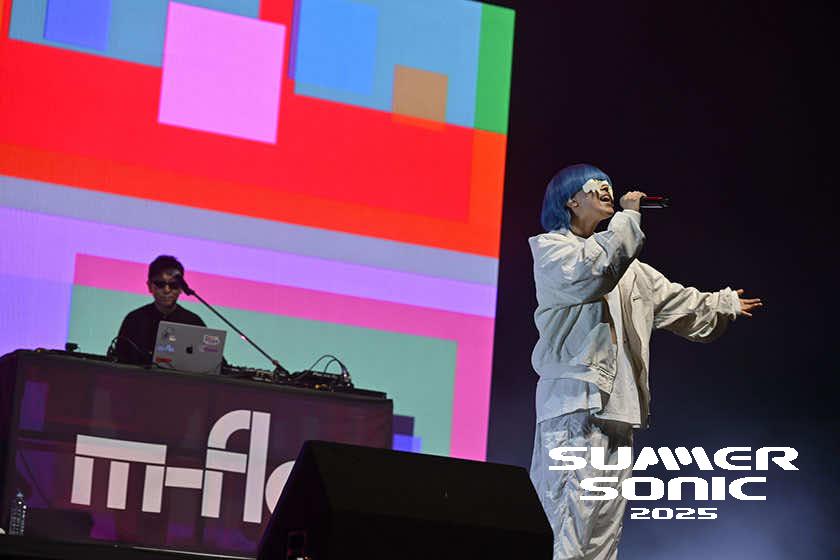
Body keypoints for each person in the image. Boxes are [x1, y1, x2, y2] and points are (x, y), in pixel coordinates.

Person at [528, 164, 761, 560]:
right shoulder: (553, 251)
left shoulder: (630, 269)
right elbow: (596, 270)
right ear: (571, 201)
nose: (607, 190)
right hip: (576, 406)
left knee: (603, 533)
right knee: (567, 520)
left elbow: (676, 301)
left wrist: (722, 303)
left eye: (609, 185)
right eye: (595, 186)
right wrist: (629, 216)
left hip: (620, 411)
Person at [112, 255, 205, 365]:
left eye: (173, 285)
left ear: (181, 288)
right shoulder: (134, 320)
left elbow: (209, 363)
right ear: (149, 286)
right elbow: (118, 362)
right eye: (160, 284)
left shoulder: (194, 322)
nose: (167, 290)